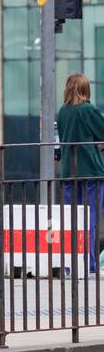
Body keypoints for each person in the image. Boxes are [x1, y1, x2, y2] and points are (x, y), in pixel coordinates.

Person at [56, 73, 104, 272]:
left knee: (70, 219)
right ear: (85, 89)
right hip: (90, 171)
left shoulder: (62, 112)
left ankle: (69, 264)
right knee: (90, 218)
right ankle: (89, 263)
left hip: (68, 172)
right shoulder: (88, 110)